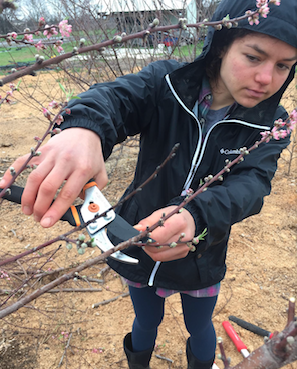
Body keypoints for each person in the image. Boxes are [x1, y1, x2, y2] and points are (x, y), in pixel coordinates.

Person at [1, 0, 297, 368]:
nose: (266, 78)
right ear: (221, 45)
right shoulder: (165, 85)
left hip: (201, 255)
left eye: (283, 65)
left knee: (199, 325)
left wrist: (196, 217)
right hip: (135, 243)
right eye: (254, 57)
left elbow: (252, 184)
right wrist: (84, 128)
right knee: (146, 320)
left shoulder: (273, 124)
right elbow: (116, 99)